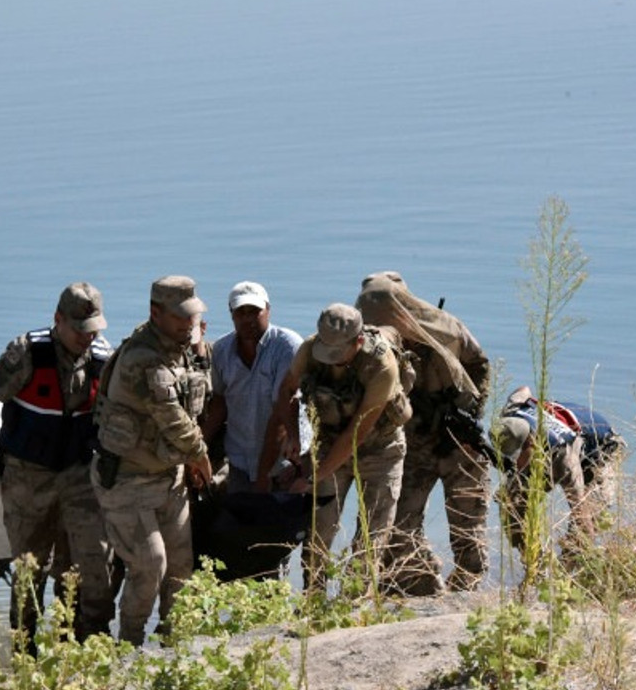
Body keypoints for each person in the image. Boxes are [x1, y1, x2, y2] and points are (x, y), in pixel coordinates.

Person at [0, 282, 117, 642]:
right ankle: (25, 648)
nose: (86, 338)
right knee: (29, 569)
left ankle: (85, 645)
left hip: (79, 476)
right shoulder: (26, 354)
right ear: (58, 319)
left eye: (92, 330)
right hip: (28, 478)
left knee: (91, 567)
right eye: (78, 329)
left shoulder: (104, 361)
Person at [91, 276, 213, 646]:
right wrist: (201, 456)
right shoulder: (143, 359)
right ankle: (129, 644)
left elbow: (195, 399)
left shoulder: (179, 346)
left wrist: (189, 463)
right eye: (180, 317)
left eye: (192, 316)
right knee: (150, 562)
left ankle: (174, 644)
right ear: (155, 313)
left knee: (180, 567)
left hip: (168, 478)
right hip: (128, 481)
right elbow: (172, 417)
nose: (188, 324)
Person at [356, 272, 493, 594]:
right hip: (413, 443)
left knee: (468, 524)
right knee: (400, 523)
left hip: (460, 442)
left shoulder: (446, 327)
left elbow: (480, 365)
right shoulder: (378, 342)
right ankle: (420, 582)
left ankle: (466, 592)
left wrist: (473, 410)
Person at [270, 303, 412, 591]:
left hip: (380, 450)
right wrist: (293, 436)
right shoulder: (311, 350)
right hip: (329, 441)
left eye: (338, 355)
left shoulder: (382, 365)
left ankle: (355, 606)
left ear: (358, 342)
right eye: (326, 351)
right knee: (318, 531)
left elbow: (356, 434)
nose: (330, 360)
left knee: (371, 538)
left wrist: (312, 476)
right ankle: (314, 600)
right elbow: (286, 390)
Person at [201, 281, 309, 495]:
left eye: (255, 311)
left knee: (286, 525)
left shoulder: (287, 346)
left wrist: (262, 478)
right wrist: (198, 448)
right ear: (231, 314)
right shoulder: (222, 350)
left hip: (285, 463)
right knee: (244, 525)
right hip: (240, 461)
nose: (248, 318)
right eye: (241, 312)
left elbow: (281, 413)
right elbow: (220, 402)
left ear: (268, 310)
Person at [495, 385, 626, 556]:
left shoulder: (564, 456)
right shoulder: (511, 413)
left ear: (532, 445)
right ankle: (533, 565)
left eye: (517, 458)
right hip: (550, 446)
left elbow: (582, 516)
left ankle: (567, 575)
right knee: (511, 504)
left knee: (587, 524)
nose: (514, 466)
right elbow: (523, 390)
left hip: (602, 451)